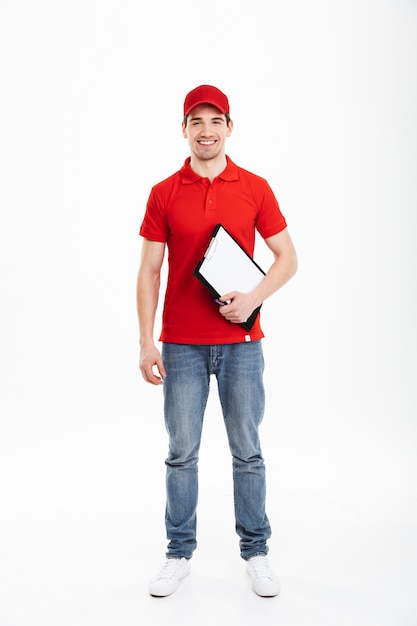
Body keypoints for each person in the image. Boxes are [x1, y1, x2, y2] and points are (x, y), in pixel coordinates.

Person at [136, 84, 297, 597]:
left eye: (215, 121)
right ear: (183, 129)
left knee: (247, 452)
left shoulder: (255, 186)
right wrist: (146, 341)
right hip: (180, 342)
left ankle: (257, 551)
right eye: (196, 122)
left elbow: (287, 259)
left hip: (242, 343)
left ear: (230, 127)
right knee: (181, 452)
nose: (206, 131)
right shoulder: (163, 192)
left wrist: (252, 298)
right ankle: (178, 553)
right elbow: (149, 272)